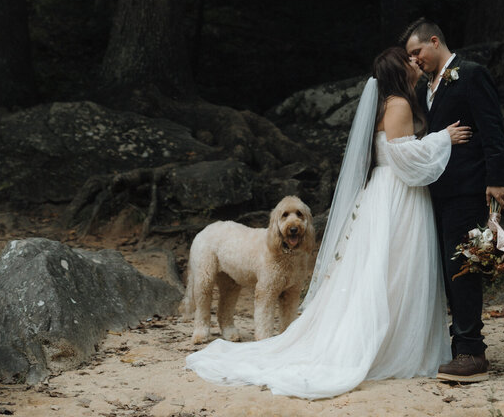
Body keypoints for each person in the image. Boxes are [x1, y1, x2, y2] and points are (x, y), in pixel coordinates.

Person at [184, 47, 471, 399]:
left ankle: (393, 337)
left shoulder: (389, 103)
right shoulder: (399, 105)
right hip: (397, 196)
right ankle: (390, 344)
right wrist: (444, 138)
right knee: (394, 268)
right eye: (408, 59)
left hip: (386, 193)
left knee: (386, 269)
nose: (415, 63)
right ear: (400, 69)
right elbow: (405, 158)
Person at [402, 18, 504, 383]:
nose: (415, 60)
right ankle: (457, 342)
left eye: (417, 52)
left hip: (467, 187)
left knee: (463, 267)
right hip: (434, 190)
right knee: (445, 270)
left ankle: (471, 352)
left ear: (435, 41)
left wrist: (497, 180)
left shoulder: (473, 74)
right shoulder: (423, 87)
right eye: (410, 57)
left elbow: (493, 127)